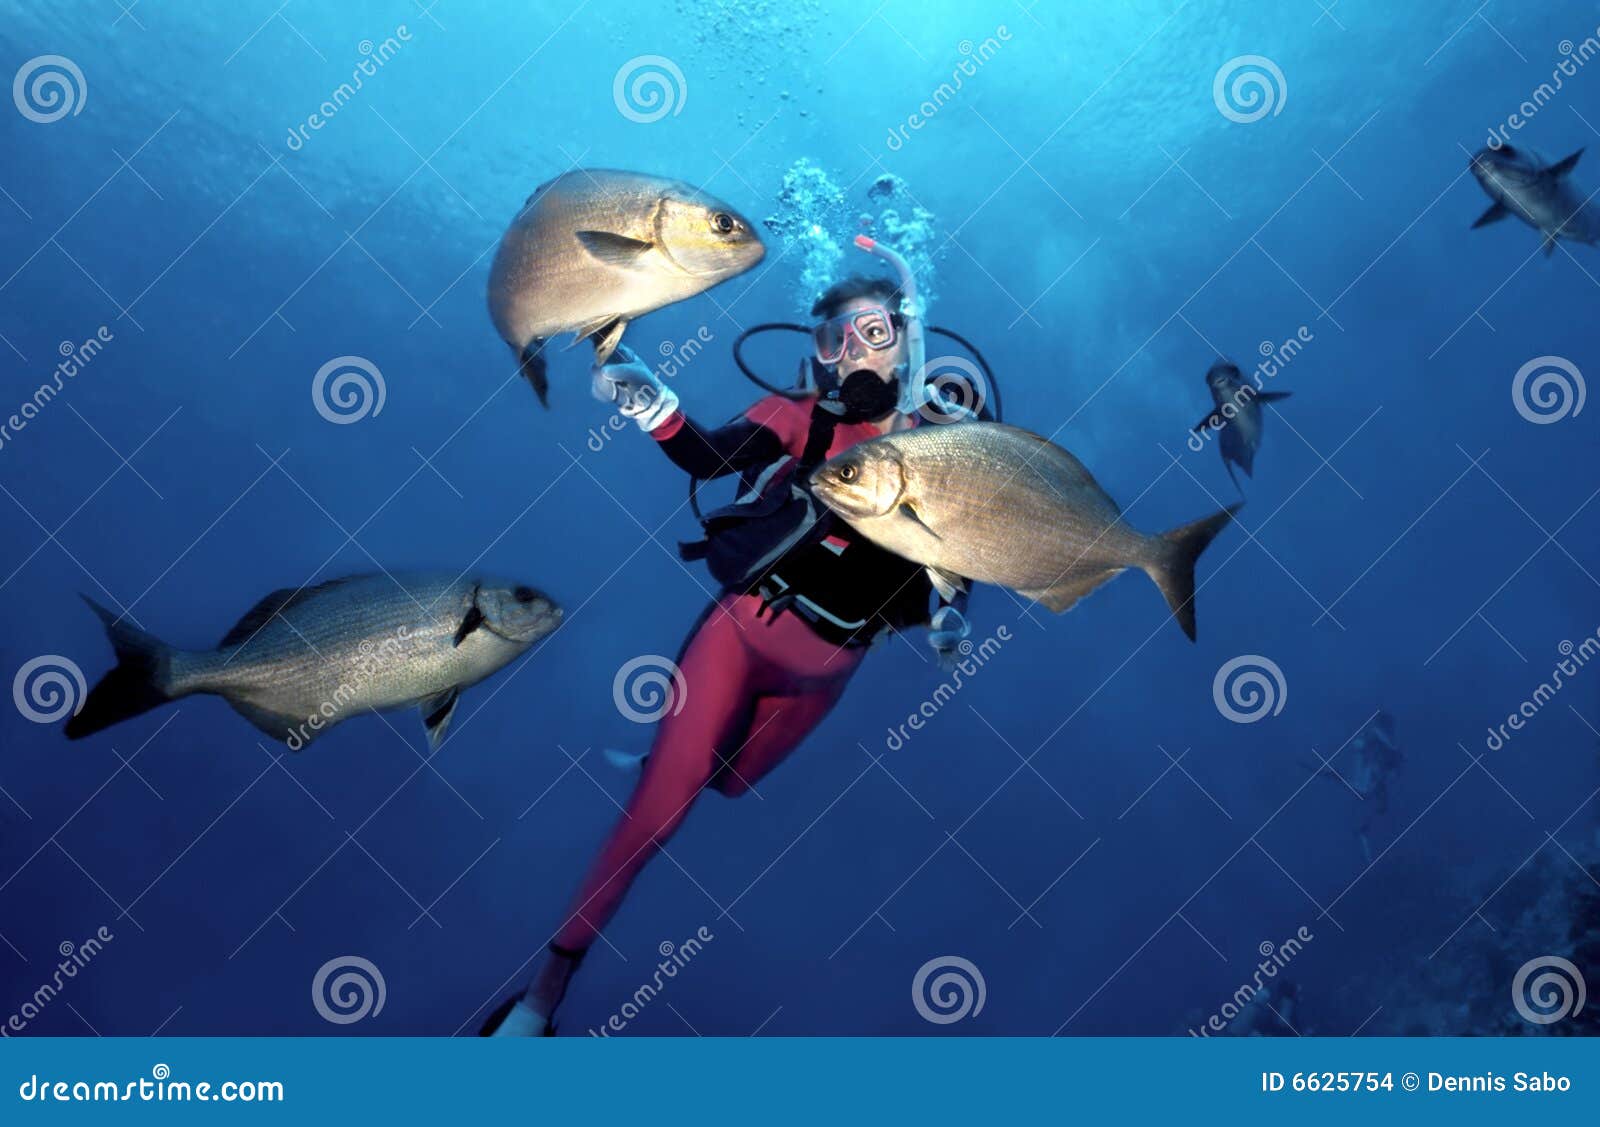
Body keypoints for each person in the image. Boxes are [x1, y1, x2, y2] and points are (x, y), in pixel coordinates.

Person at [482, 275, 972, 1035]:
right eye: (834, 339)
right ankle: (537, 1002)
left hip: (829, 671)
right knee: (659, 815)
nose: (853, 354)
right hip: (743, 636)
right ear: (819, 353)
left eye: (874, 333)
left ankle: (685, 751)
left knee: (732, 784)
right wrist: (655, 407)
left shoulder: (951, 445)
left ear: (910, 336)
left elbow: (966, 555)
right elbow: (712, 456)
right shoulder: (800, 415)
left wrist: (953, 614)